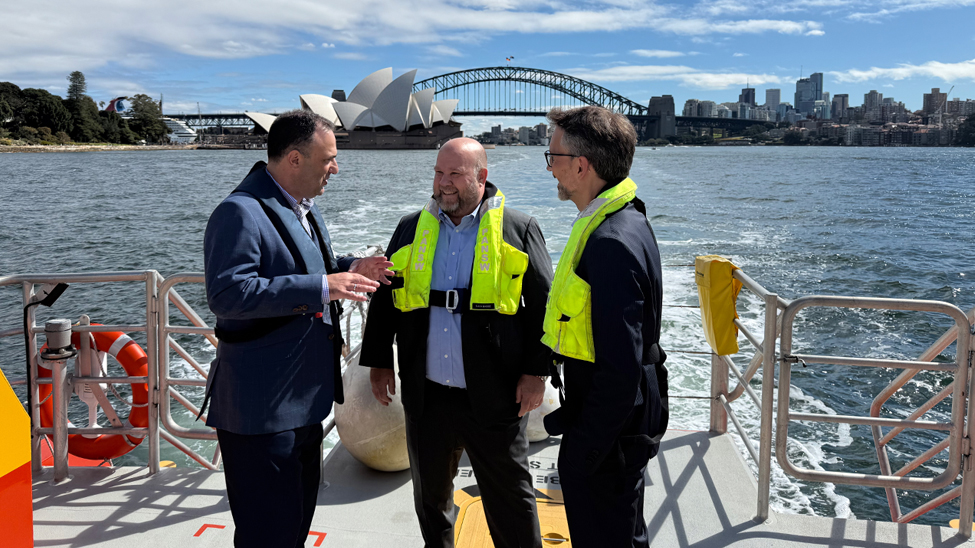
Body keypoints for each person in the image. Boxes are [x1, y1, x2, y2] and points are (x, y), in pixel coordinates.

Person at [202, 109, 393, 548]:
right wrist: (325, 286)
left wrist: (350, 268)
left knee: (293, 524)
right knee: (268, 533)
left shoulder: (302, 207)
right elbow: (228, 294)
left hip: (302, 401)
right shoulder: (239, 212)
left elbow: (311, 266)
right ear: (294, 159)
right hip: (261, 410)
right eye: (328, 159)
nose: (335, 168)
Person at [360, 137, 553, 548]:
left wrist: (537, 372)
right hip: (427, 396)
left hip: (494, 394)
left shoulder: (519, 229)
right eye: (438, 173)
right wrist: (379, 361)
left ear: (481, 177)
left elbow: (544, 306)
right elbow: (385, 297)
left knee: (510, 501)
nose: (443, 183)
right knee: (431, 501)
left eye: (455, 174)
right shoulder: (410, 227)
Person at [540, 106, 668, 548]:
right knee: (623, 530)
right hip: (623, 419)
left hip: (612, 429)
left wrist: (583, 453)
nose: (550, 168)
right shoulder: (627, 217)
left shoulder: (609, 241)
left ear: (581, 166)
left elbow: (620, 371)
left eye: (553, 156)